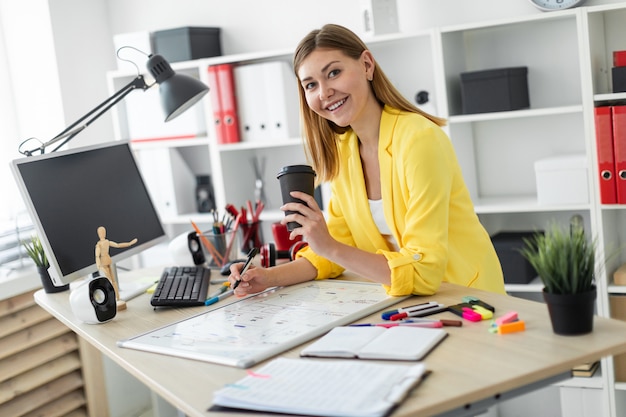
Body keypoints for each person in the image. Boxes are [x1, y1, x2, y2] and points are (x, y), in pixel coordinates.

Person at [229, 24, 505, 297]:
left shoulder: (419, 139)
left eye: (334, 73)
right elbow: (333, 249)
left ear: (366, 65)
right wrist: (266, 278)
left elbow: (424, 270)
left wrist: (329, 246)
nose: (324, 92)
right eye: (311, 85)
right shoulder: (343, 151)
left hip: (465, 298)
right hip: (408, 301)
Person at [95, 226, 138, 310]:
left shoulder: (107, 242)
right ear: (99, 234)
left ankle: (118, 297)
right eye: (101, 233)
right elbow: (97, 256)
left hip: (108, 260)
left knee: (113, 281)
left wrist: (129, 243)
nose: (102, 234)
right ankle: (113, 298)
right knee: (109, 282)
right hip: (103, 262)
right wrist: (99, 266)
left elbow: (118, 245)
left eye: (103, 232)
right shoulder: (99, 244)